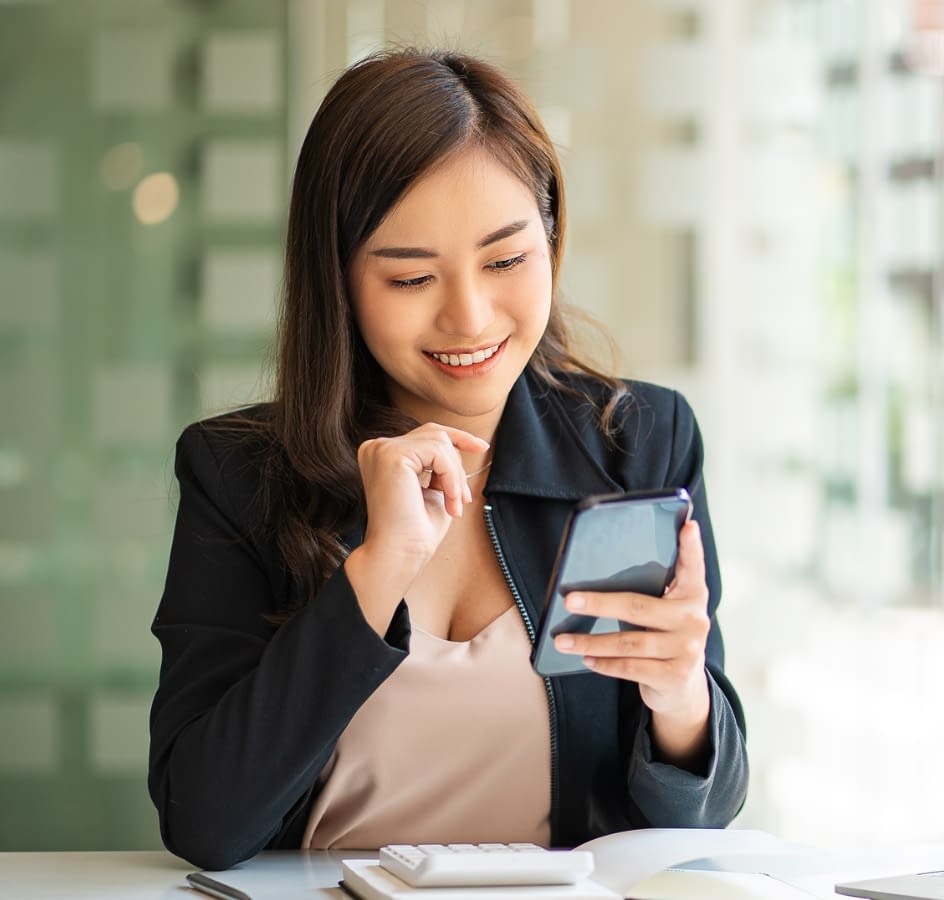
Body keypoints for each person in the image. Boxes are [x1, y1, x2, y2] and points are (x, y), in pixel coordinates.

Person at [146, 49, 748, 871]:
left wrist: (682, 697)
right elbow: (205, 821)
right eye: (411, 278)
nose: (469, 317)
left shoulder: (638, 441)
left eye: (505, 260)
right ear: (341, 281)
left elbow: (697, 822)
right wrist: (374, 573)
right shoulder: (238, 474)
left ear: (551, 238)